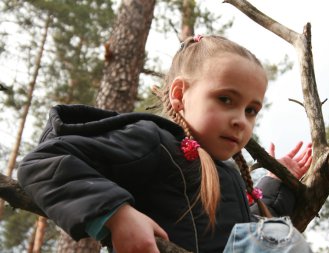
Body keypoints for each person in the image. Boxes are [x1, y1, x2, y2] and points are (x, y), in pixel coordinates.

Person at [17, 35, 312, 253]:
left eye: (251, 110)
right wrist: (118, 215)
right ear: (180, 95)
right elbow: (43, 163)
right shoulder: (156, 142)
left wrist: (274, 183)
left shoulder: (228, 173)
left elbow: (250, 232)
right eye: (225, 99)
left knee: (281, 235)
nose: (240, 120)